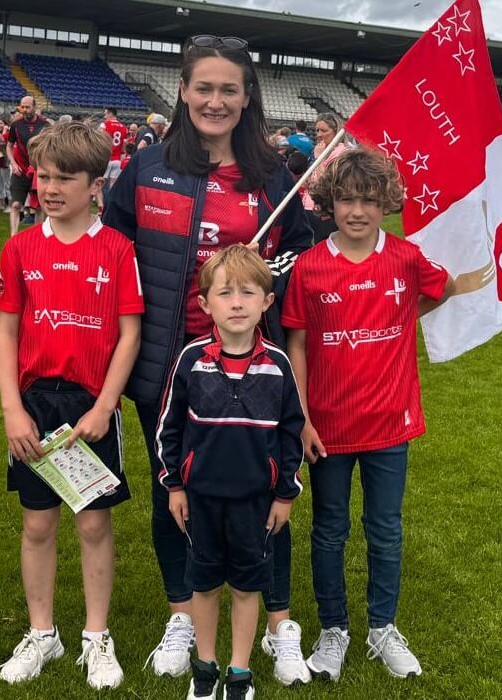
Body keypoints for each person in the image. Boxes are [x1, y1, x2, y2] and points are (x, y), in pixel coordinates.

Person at [102, 34, 314, 686]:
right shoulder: (148, 166)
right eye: (204, 88)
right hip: (167, 372)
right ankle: (183, 617)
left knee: (261, 500)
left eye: (229, 89)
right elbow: (107, 254)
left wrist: (262, 270)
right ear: (184, 90)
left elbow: (300, 261)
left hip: (251, 375)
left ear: (247, 96)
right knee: (178, 494)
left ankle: (276, 624)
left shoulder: (273, 177)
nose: (215, 100)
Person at [282, 147, 481, 683]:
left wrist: (404, 314)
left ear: (386, 203)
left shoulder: (405, 257)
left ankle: (382, 628)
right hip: (327, 425)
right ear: (330, 203)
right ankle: (333, 630)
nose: (357, 211)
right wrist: (302, 417)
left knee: (385, 529)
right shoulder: (310, 265)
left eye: (369, 201)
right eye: (346, 199)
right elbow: (296, 344)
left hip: (391, 421)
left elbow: (438, 290)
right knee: (329, 530)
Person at [0, 122, 142, 691]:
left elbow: (129, 334)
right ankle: (42, 633)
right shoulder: (21, 247)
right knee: (36, 525)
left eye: (65, 178)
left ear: (95, 184)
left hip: (89, 408)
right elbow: (5, 331)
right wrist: (12, 409)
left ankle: (96, 637)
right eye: (43, 176)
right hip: (33, 403)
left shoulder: (117, 249)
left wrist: (105, 407)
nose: (50, 188)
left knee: (94, 524)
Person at [155, 244, 303, 700]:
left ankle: (239, 671)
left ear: (267, 301)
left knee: (245, 585)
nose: (236, 302)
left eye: (247, 292)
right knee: (203, 584)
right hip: (200, 499)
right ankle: (206, 667)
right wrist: (174, 485)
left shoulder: (278, 365)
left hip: (255, 503)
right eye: (224, 293)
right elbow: (169, 428)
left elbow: (292, 433)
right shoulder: (191, 360)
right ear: (205, 304)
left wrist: (285, 494)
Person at [301, 112, 350, 243]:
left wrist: (319, 159)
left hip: (326, 210)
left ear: (335, 131)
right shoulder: (319, 150)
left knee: (323, 249)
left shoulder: (342, 154)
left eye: (323, 130)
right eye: (317, 130)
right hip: (309, 206)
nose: (319, 135)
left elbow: (328, 183)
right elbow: (308, 181)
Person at [7, 96, 49, 234]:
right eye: (22, 107)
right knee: (16, 204)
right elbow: (9, 146)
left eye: (27, 107)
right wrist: (13, 163)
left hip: (37, 170)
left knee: (39, 206)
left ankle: (37, 235)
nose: (24, 110)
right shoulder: (16, 125)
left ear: (34, 107)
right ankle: (13, 235)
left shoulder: (45, 125)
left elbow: (50, 147)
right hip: (20, 169)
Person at [99, 107, 128, 210]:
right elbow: (124, 146)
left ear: (111, 114)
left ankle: (101, 206)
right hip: (117, 159)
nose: (104, 116)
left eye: (106, 114)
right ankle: (110, 206)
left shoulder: (105, 125)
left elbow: (100, 141)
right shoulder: (124, 127)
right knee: (112, 186)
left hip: (106, 158)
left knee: (100, 184)